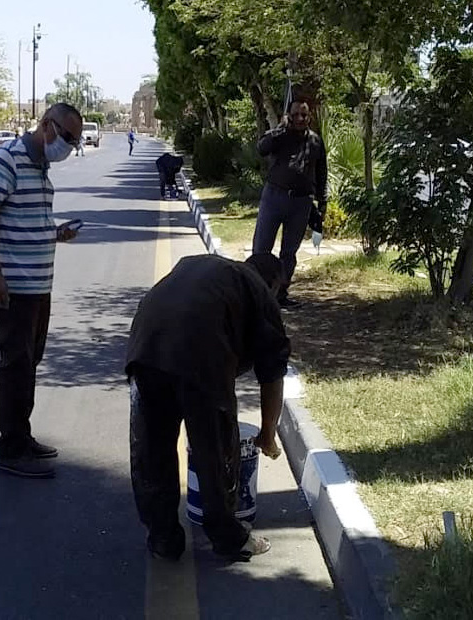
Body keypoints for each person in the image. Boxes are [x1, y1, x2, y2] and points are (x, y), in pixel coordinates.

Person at [126, 252, 291, 561]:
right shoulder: (260, 291)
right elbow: (273, 375)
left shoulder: (207, 268)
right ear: (274, 284)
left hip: (145, 346)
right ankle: (230, 538)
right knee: (214, 448)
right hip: (199, 352)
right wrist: (268, 433)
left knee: (152, 448)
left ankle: (162, 537)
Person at [0, 103, 84, 479]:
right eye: (67, 136)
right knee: (15, 365)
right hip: (13, 287)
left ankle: (23, 436)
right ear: (45, 125)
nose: (70, 145)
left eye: (76, 140)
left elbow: (27, 219)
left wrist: (56, 234)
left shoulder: (41, 168)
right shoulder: (7, 160)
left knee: (29, 362)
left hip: (39, 285)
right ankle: (11, 449)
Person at [252, 99, 328, 309]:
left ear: (309, 117)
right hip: (274, 197)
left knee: (289, 252)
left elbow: (322, 173)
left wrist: (323, 203)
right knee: (261, 249)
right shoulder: (280, 136)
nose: (300, 119)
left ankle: (280, 295)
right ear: (289, 116)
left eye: (303, 115)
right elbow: (261, 148)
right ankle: (257, 293)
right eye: (295, 115)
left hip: (301, 203)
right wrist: (279, 129)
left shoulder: (315, 142)